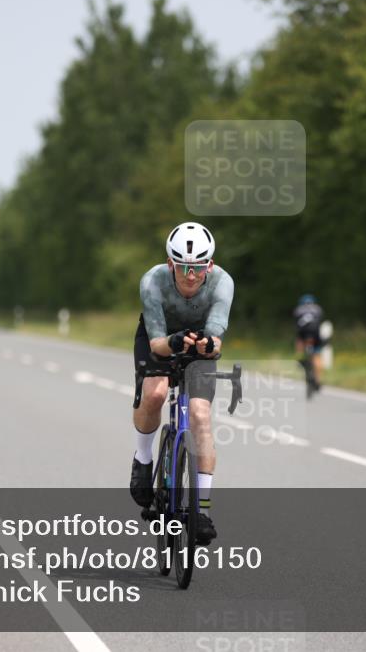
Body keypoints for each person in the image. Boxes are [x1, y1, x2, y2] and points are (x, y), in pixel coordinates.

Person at [130, 222, 234, 545]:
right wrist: (175, 341)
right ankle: (143, 459)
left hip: (201, 342)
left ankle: (201, 509)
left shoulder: (222, 283)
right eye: (184, 267)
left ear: (210, 265)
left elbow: (216, 342)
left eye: (199, 267)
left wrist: (206, 344)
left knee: (201, 416)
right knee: (157, 393)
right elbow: (158, 343)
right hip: (160, 338)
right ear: (170, 263)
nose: (192, 275)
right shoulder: (152, 282)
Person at [293, 294, 324, 392]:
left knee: (299, 339)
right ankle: (318, 380)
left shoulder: (298, 309)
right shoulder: (318, 309)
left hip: (303, 333)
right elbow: (320, 321)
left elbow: (296, 323)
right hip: (315, 333)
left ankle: (299, 357)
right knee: (317, 355)